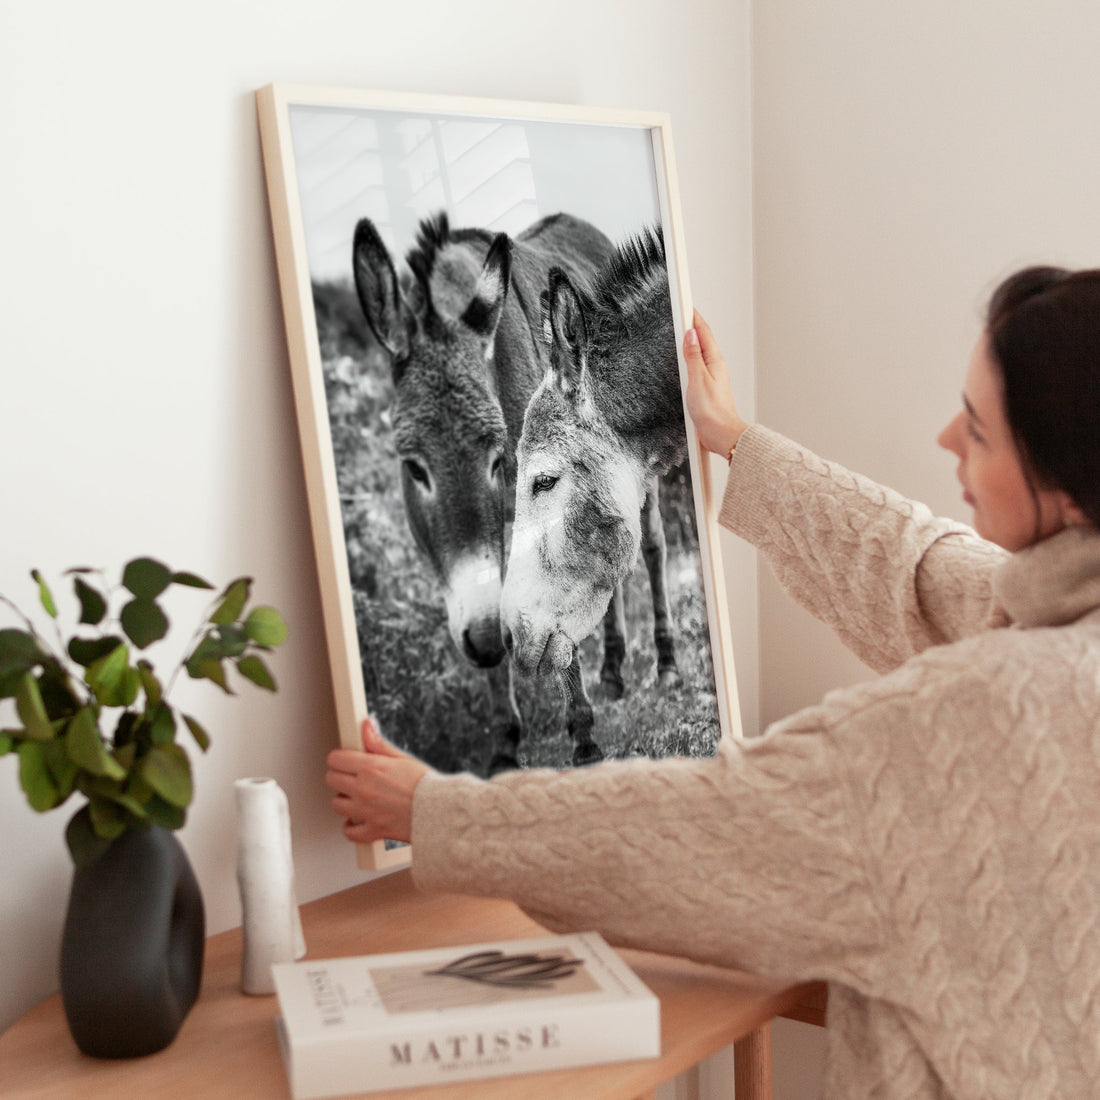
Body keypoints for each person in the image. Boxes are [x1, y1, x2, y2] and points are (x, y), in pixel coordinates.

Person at [326, 266, 1100, 1099]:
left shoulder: (973, 718)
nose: (947, 438)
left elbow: (709, 825)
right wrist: (734, 441)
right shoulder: (1060, 619)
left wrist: (435, 813)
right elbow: (918, 569)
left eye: (979, 432)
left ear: (1063, 487)